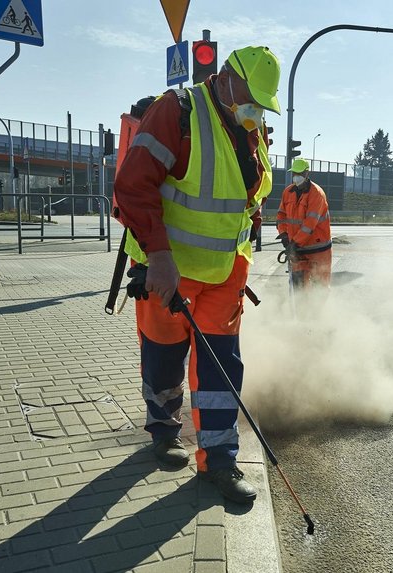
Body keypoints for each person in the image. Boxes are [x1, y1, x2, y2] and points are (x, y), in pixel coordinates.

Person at [112, 46, 281, 504]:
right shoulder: (179, 111)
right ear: (226, 78)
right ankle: (164, 431)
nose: (255, 112)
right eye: (251, 100)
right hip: (168, 272)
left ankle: (219, 462)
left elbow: (249, 198)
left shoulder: (253, 132)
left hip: (225, 276)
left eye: (262, 106)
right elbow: (132, 186)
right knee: (164, 362)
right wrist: (160, 256)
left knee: (221, 373)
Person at [276, 158, 333, 290]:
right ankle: (300, 310)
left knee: (320, 286)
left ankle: (319, 310)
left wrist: (294, 244)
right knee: (297, 287)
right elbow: (281, 216)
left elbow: (309, 224)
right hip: (297, 249)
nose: (296, 177)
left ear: (307, 173)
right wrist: (284, 236)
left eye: (299, 173)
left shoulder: (316, 194)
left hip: (318, 249)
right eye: (294, 173)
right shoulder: (288, 192)